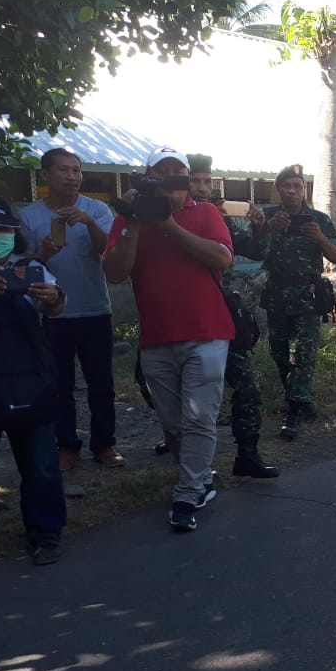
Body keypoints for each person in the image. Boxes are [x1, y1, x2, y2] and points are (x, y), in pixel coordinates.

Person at [103, 148, 234, 534]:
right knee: (173, 423)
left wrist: (170, 224)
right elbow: (114, 273)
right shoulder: (129, 220)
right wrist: (133, 224)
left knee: (200, 418)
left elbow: (223, 259)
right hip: (157, 337)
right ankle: (201, 477)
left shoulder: (206, 213)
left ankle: (187, 492)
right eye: (164, 173)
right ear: (149, 177)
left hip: (207, 332)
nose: (172, 179)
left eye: (180, 173)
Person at [0, 193, 67, 565]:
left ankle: (46, 535)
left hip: (32, 384)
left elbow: (58, 308)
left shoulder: (31, 268)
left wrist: (52, 297)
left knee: (42, 466)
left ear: (14, 233)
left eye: (2, 229)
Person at [19, 147, 121, 471]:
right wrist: (44, 254)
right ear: (45, 176)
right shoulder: (29, 216)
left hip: (94, 309)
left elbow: (110, 251)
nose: (72, 176)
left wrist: (89, 222)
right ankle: (67, 446)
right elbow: (23, 268)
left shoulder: (97, 209)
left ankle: (104, 444)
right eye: (63, 170)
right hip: (52, 315)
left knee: (101, 383)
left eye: (76, 170)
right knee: (59, 385)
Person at [186, 154, 278, 479]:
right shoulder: (166, 217)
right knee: (177, 391)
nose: (201, 187)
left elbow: (256, 251)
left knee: (248, 383)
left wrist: (259, 227)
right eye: (194, 180)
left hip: (220, 314)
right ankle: (184, 456)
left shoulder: (218, 218)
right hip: (181, 317)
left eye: (206, 181)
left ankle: (247, 454)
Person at [250, 164, 336, 440]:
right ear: (279, 190)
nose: (292, 191)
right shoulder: (266, 216)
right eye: (287, 186)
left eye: (298, 186)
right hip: (276, 294)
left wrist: (319, 237)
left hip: (307, 295)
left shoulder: (319, 219)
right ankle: (302, 400)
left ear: (304, 190)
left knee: (304, 352)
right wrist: (269, 230)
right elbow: (254, 251)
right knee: (279, 352)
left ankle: (294, 409)